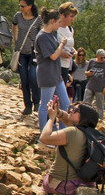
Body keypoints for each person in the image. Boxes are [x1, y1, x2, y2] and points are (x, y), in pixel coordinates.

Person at [39, 101, 99, 194]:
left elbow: (44, 138)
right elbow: (68, 119)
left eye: (75, 110)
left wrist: (51, 118)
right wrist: (58, 112)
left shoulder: (72, 132)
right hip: (85, 182)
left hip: (63, 184)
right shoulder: (90, 133)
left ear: (83, 117)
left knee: (47, 184)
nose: (71, 110)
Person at [35, 7, 71, 136]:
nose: (59, 25)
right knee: (45, 103)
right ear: (52, 21)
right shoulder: (42, 37)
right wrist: (62, 45)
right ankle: (44, 134)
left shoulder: (52, 34)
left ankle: (61, 131)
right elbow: (53, 56)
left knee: (65, 102)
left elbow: (56, 52)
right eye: (58, 22)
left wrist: (65, 52)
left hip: (56, 73)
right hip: (47, 73)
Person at [12, 0, 42, 115]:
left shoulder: (38, 19)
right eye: (20, 5)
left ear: (30, 6)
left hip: (33, 52)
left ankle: (36, 102)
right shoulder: (18, 16)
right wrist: (15, 39)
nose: (21, 8)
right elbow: (14, 25)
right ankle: (27, 105)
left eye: (23, 6)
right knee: (24, 79)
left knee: (33, 78)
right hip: (21, 52)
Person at [83, 49, 105, 119]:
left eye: (104, 57)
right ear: (97, 56)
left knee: (100, 107)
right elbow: (85, 72)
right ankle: (84, 119)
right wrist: (88, 73)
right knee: (85, 104)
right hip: (90, 86)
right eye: (101, 57)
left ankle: (100, 121)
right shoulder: (92, 61)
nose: (103, 59)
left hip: (100, 89)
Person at [57, 2, 78, 107]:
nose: (72, 19)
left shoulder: (70, 29)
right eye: (71, 16)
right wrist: (62, 53)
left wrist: (73, 51)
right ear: (63, 15)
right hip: (56, 64)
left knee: (62, 93)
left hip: (66, 65)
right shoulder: (55, 27)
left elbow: (70, 44)